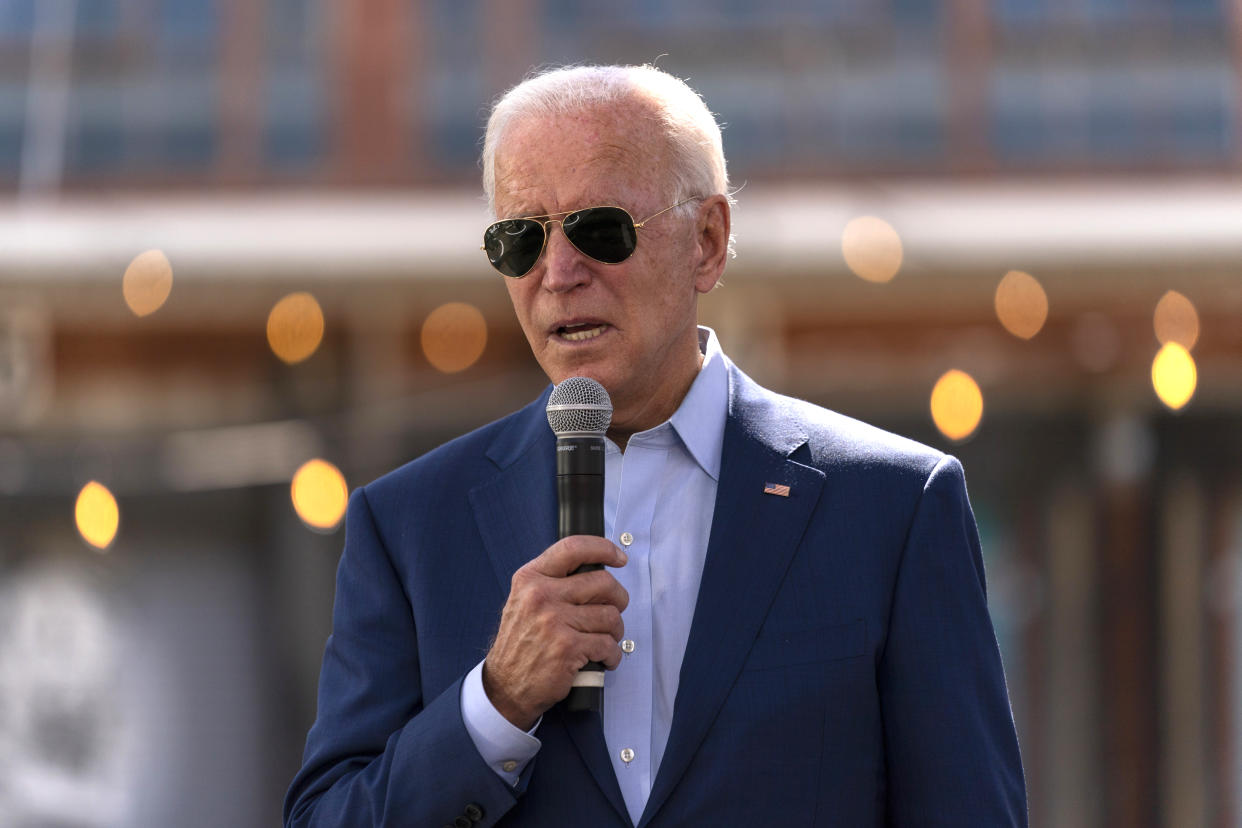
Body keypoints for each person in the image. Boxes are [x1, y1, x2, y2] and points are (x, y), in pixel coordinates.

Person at [284, 64, 1026, 828]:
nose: (559, 274)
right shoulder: (407, 524)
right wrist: (496, 702)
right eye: (521, 239)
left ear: (707, 242)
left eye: (600, 230)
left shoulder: (893, 505)